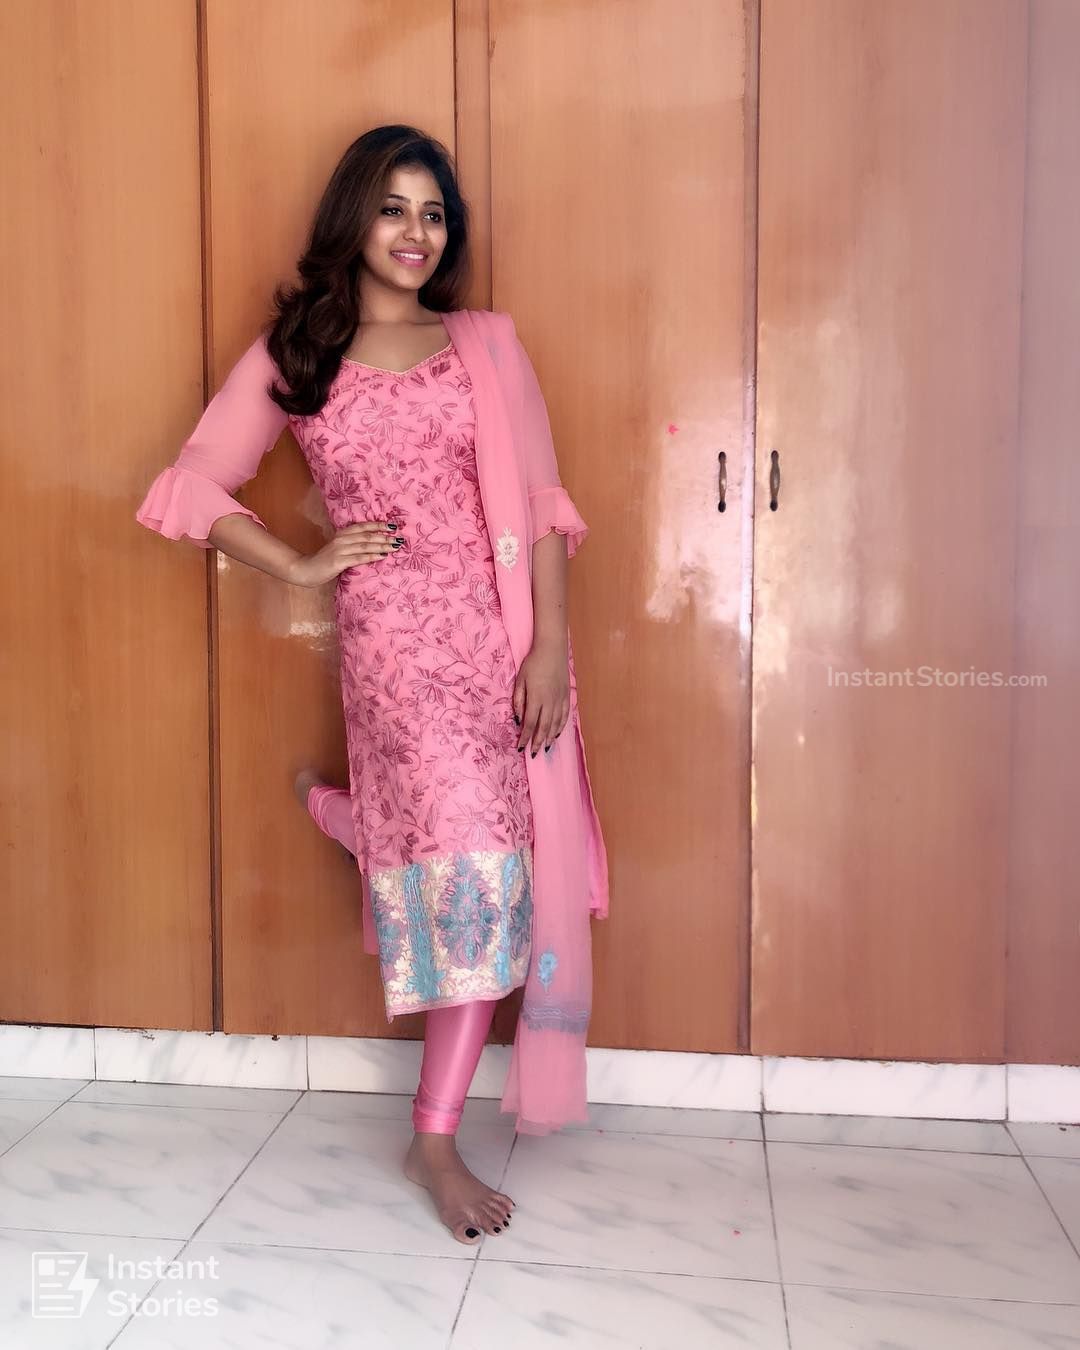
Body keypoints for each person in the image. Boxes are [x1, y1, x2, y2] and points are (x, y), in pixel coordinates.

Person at [135, 124, 609, 1246]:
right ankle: (433, 1140)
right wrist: (300, 563)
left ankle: (358, 821)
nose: (414, 232)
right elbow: (193, 482)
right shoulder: (299, 352)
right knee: (473, 885)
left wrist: (548, 649)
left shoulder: (484, 343)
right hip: (394, 653)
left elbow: (541, 503)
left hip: (499, 642)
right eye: (393, 208)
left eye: (433, 213)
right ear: (354, 217)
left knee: (487, 871)